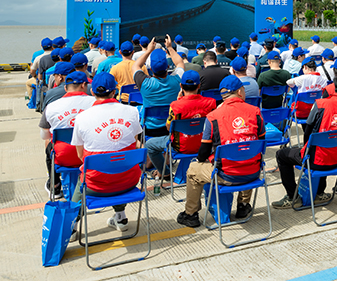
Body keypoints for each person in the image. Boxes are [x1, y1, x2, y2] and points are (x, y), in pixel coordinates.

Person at [177, 76, 266, 227]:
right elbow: (262, 141)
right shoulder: (255, 112)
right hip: (253, 173)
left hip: (226, 175)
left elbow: (204, 151)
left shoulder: (213, 117)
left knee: (193, 170)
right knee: (248, 154)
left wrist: (202, 160)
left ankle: (190, 214)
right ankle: (243, 206)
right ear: (239, 91)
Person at [272, 69, 337, 208]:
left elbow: (307, 130)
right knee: (327, 144)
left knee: (281, 155)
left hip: (315, 159)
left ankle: (292, 196)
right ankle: (319, 193)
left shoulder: (320, 104)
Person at [71, 73, 143, 232]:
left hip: (96, 185)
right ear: (114, 92)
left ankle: (72, 226)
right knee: (119, 165)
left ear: (92, 92)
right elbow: (135, 143)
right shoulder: (132, 112)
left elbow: (79, 155)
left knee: (84, 179)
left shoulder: (82, 117)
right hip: (129, 181)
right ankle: (121, 217)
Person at [145, 71, 216, 182]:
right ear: (199, 86)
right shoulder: (211, 102)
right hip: (204, 147)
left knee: (149, 145)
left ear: (181, 86)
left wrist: (179, 101)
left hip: (181, 147)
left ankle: (166, 173)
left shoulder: (175, 105)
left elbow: (169, 128)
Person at [40, 71, 95, 199]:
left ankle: (55, 184)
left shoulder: (52, 107)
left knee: (49, 145)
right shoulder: (94, 103)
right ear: (84, 85)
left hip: (63, 157)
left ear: (65, 88)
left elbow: (44, 135)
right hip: (89, 155)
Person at [134, 37, 185, 148]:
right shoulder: (176, 81)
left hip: (150, 130)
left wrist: (148, 50)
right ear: (167, 66)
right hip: (170, 128)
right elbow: (180, 63)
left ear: (150, 68)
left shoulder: (145, 84)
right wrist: (170, 48)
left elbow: (136, 66)